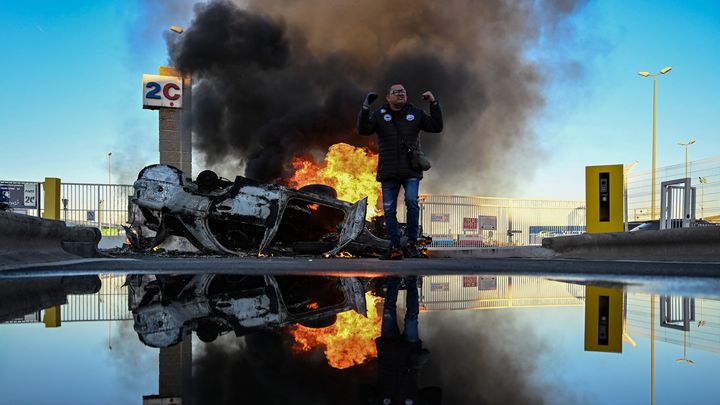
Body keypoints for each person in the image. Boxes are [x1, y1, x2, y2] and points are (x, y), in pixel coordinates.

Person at [357, 84, 443, 260]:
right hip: (388, 171)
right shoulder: (380, 115)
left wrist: (433, 103)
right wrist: (365, 107)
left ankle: (411, 244)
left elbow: (436, 126)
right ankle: (395, 247)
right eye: (395, 92)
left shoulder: (416, 114)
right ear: (388, 97)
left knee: (412, 202)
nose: (400, 94)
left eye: (403, 91)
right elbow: (363, 129)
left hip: (411, 170)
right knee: (389, 211)